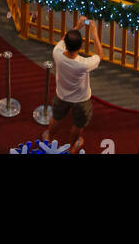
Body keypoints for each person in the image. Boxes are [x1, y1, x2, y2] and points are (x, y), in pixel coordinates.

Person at [44, 21, 105, 154]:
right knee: (78, 125)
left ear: (65, 44)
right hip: (81, 99)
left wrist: (77, 26)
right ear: (80, 46)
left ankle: (48, 138)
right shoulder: (84, 64)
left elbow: (62, 39)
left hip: (61, 94)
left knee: (56, 117)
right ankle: (72, 147)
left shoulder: (57, 53)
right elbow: (100, 56)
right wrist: (94, 34)